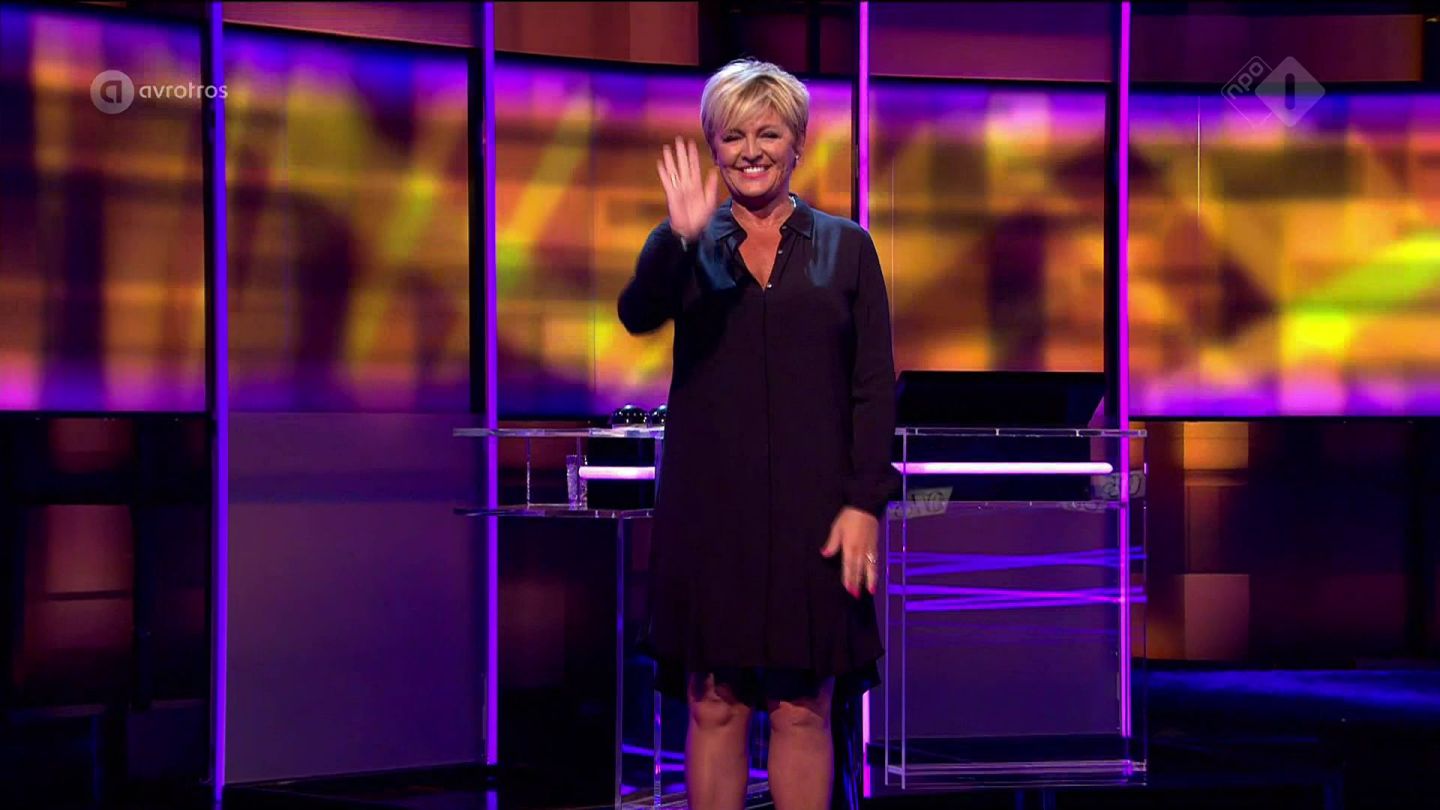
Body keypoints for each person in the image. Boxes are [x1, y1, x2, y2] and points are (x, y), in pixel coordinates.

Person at [617, 58, 899, 810]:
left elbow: (874, 386)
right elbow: (638, 313)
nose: (750, 151)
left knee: (802, 707)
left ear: (797, 143)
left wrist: (864, 503)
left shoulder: (847, 247)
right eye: (732, 135)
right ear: (713, 146)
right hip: (710, 512)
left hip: (818, 514)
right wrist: (678, 241)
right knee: (716, 703)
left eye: (767, 134)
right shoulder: (687, 242)